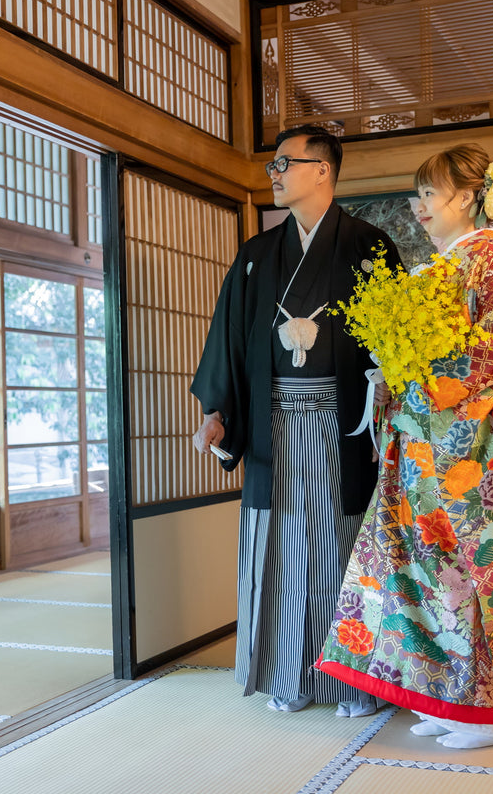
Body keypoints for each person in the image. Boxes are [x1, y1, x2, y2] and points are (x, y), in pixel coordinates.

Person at [315, 144, 493, 747]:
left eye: (428, 193)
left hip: (469, 458)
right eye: (418, 193)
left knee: (477, 571)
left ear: (468, 197)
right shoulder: (451, 265)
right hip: (430, 449)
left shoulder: (488, 263)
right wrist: (394, 365)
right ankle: (447, 697)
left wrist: (417, 369)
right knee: (427, 570)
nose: (418, 205)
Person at [191, 125, 402, 717]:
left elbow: (394, 344)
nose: (276, 173)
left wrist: (389, 390)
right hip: (273, 426)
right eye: (273, 165)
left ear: (323, 171)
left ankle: (354, 683)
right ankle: (288, 677)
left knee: (343, 549)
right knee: (280, 551)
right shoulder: (258, 255)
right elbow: (229, 340)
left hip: (343, 428)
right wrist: (217, 411)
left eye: (285, 163)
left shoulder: (370, 246)